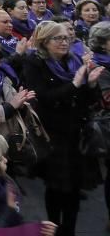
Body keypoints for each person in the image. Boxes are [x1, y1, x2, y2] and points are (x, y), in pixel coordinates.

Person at [22, 20, 103, 236]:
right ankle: (53, 228)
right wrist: (74, 85)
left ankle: (69, 231)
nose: (64, 42)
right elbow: (45, 99)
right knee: (56, 187)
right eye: (58, 38)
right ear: (44, 42)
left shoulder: (75, 60)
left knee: (74, 188)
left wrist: (92, 84)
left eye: (67, 37)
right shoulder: (35, 63)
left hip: (77, 132)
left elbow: (90, 101)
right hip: (53, 133)